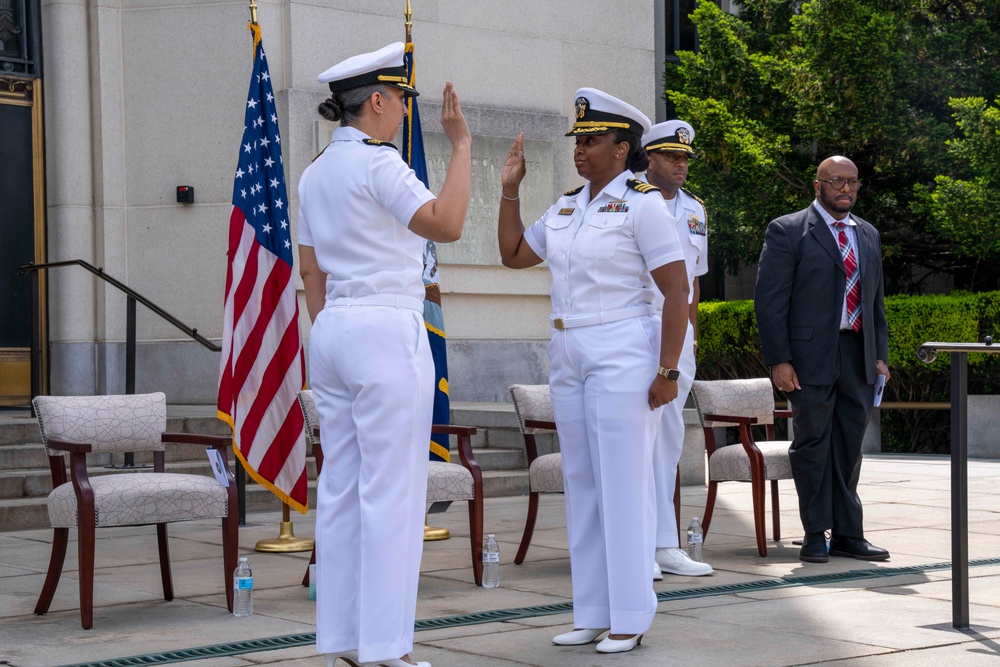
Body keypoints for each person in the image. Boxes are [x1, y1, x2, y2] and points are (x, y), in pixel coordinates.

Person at [297, 42, 471, 667]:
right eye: (398, 99)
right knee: (394, 493)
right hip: (383, 327)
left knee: (342, 487)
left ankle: (344, 641)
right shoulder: (380, 164)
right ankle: (386, 650)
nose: (401, 111)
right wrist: (461, 147)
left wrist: (337, 325)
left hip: (334, 327)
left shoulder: (314, 172)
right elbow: (446, 224)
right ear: (375, 101)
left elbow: (311, 270)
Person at [498, 88, 689, 653]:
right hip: (568, 351)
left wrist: (669, 370)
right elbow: (512, 254)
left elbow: (676, 291)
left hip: (623, 349)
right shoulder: (564, 206)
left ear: (623, 147)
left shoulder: (643, 204)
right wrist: (509, 190)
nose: (581, 149)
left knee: (624, 482)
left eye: (593, 140)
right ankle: (592, 610)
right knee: (582, 482)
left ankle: (630, 614)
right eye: (579, 140)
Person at [754, 155, 891, 564]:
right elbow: (770, 301)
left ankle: (849, 533)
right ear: (818, 186)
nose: (845, 189)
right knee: (812, 443)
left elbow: (876, 302)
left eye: (851, 182)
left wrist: (880, 355)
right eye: (836, 181)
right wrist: (779, 359)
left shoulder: (867, 234)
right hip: (808, 355)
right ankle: (816, 532)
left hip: (857, 353)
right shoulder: (789, 230)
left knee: (850, 444)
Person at [641, 120, 714, 579]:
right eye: (672, 156)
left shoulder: (695, 210)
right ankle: (636, 545)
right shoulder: (629, 200)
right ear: (649, 157)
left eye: (685, 157)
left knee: (667, 442)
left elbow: (693, 282)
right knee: (636, 442)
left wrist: (692, 336)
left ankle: (664, 542)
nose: (681, 164)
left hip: (677, 339)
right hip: (639, 329)